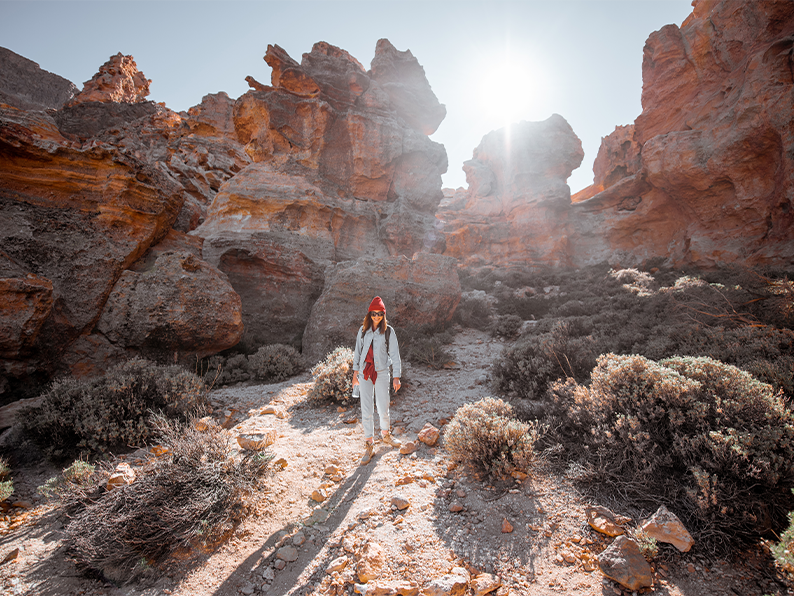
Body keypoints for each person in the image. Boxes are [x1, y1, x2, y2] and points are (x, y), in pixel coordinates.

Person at [352, 296, 402, 465]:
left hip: (382, 372)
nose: (376, 317)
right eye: (373, 313)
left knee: (383, 406)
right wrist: (355, 374)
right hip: (365, 373)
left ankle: (386, 436)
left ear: (383, 314)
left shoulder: (389, 331)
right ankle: (369, 444)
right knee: (366, 409)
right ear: (369, 314)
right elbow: (357, 353)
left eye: (379, 314)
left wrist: (396, 377)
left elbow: (395, 355)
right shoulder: (363, 331)